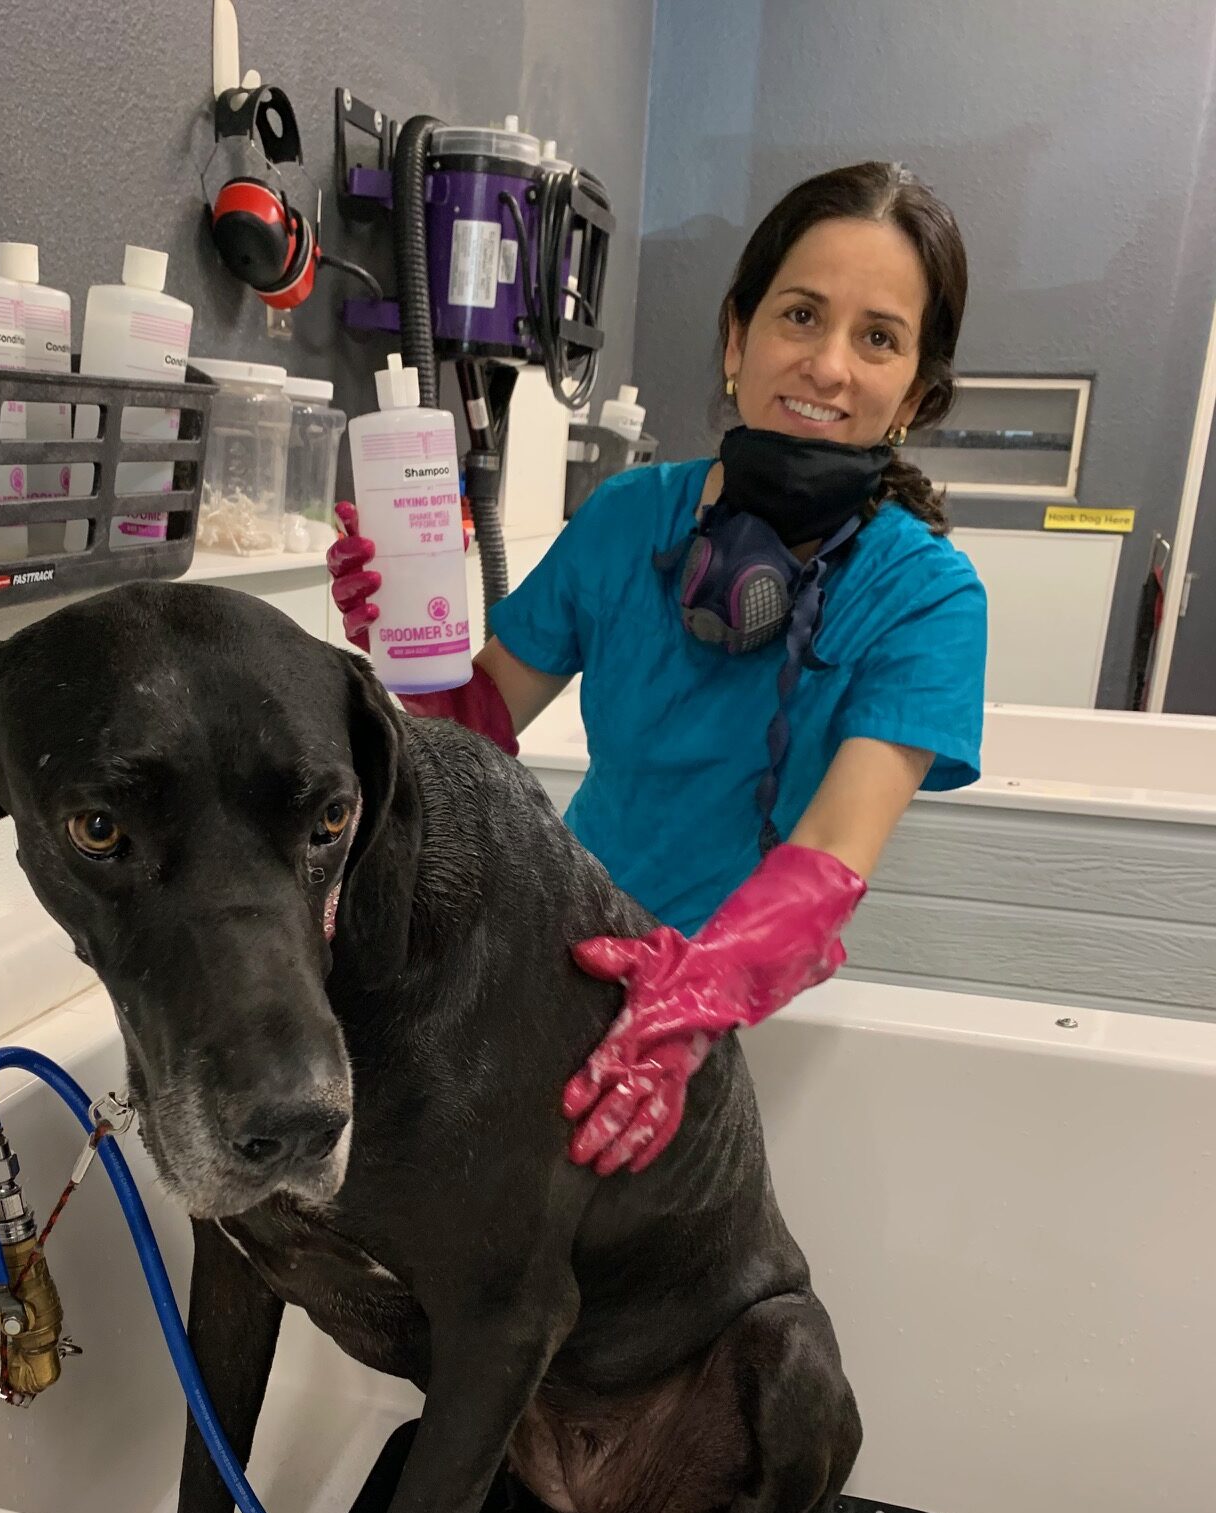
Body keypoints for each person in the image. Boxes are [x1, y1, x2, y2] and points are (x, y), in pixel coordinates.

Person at [328, 160, 986, 1177]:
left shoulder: (929, 596)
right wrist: (399, 637)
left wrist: (702, 991)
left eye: (878, 338)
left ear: (916, 392)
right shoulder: (631, 520)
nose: (828, 366)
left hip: (738, 1004)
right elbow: (477, 722)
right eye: (801, 315)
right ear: (737, 335)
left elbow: (832, 856)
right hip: (560, 944)